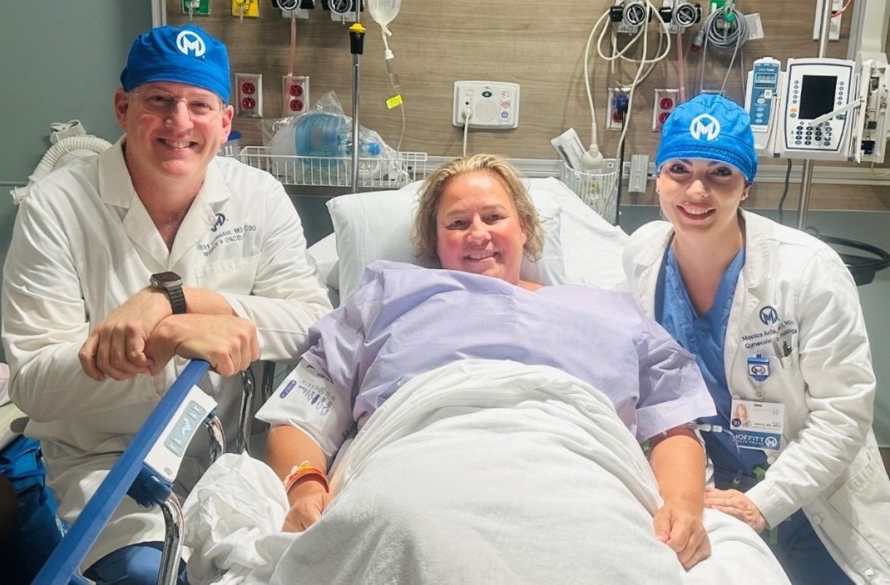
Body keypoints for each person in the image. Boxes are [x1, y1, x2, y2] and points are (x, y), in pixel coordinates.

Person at [258, 153, 719, 573]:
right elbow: (302, 411)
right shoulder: (389, 296)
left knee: (601, 540)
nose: (477, 233)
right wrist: (304, 484)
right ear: (434, 242)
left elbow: (674, 426)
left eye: (493, 217)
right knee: (402, 522)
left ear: (524, 227)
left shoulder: (608, 310)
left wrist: (682, 504)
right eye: (457, 223)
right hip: (418, 456)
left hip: (577, 463)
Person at [1, 24, 333, 584]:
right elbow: (32, 383)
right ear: (122, 107)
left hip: (225, 458)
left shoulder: (258, 196)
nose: (180, 122)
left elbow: (314, 324)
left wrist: (175, 303)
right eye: (159, 101)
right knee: (143, 574)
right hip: (102, 460)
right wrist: (157, 344)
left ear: (226, 122)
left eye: (199, 105)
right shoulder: (55, 207)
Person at [622, 93, 890, 584]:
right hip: (698, 485)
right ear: (657, 178)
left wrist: (761, 503)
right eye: (679, 169)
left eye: (720, 173)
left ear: (746, 185)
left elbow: (844, 413)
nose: (696, 191)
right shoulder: (641, 257)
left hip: (809, 491)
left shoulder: (808, 271)